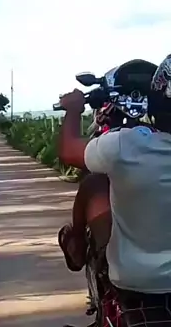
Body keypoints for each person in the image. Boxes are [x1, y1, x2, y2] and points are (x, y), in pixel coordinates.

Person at [57, 53, 171, 293]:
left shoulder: (124, 145)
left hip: (135, 281)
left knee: (94, 183)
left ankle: (78, 244)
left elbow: (69, 151)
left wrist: (74, 109)